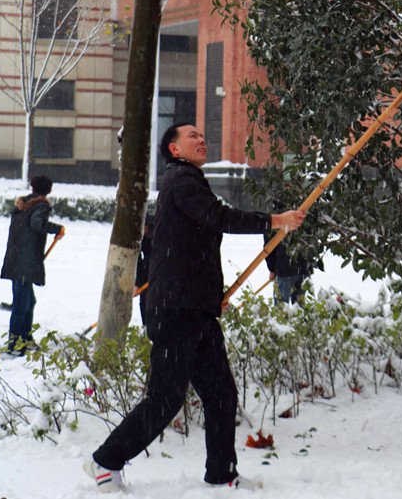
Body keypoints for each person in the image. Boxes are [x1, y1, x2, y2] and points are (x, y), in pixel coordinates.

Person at [84, 123, 306, 493]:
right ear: (174, 150)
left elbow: (194, 248)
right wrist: (273, 221)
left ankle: (222, 473)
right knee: (165, 398)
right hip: (176, 312)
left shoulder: (189, 182)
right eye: (192, 137)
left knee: (221, 395)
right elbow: (220, 217)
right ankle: (105, 461)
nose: (202, 139)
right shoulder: (181, 181)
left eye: (203, 135)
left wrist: (208, 294)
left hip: (194, 309)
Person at [0, 174, 64, 355]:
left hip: (17, 259)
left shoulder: (23, 204)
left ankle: (25, 339)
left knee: (28, 301)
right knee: (21, 304)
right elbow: (37, 224)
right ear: (49, 190)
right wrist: (56, 229)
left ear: (32, 187)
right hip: (24, 263)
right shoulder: (40, 205)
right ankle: (15, 344)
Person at [264, 233, 313, 305]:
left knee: (281, 309)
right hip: (304, 267)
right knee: (299, 308)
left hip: (285, 269)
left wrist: (272, 269)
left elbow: (269, 246)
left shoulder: (275, 223)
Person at [133, 215, 153, 326]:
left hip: (163, 269)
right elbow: (139, 262)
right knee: (144, 299)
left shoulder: (157, 232)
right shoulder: (138, 237)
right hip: (149, 269)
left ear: (146, 226)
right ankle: (145, 327)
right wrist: (138, 283)